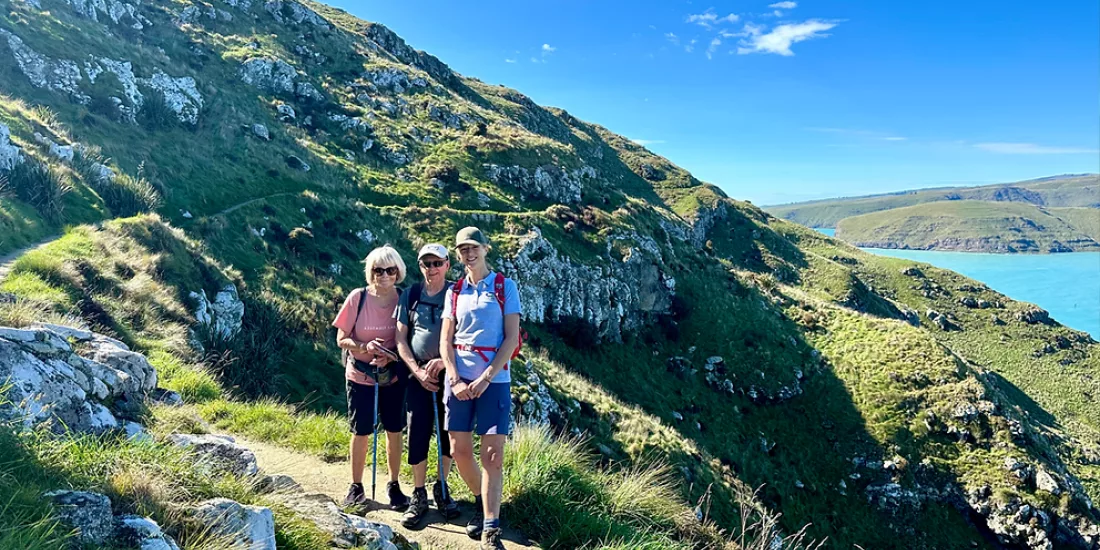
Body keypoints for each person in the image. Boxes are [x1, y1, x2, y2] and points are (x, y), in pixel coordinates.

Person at [440, 227, 521, 550]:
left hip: (494, 381)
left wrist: (486, 376)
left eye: (473, 247)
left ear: (486, 248)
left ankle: (491, 527)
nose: (468, 254)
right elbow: (446, 340)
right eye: (462, 249)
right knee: (459, 451)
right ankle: (480, 499)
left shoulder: (504, 287)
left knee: (492, 456)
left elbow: (511, 338)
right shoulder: (455, 291)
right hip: (458, 381)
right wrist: (455, 378)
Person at [333, 245, 410, 510]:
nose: (384, 275)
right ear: (371, 272)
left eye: (390, 270)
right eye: (378, 270)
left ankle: (394, 485)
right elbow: (341, 338)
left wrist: (390, 356)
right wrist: (363, 348)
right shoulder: (358, 298)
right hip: (360, 375)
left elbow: (410, 340)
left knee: (394, 430)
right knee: (361, 430)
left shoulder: (405, 298)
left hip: (393, 376)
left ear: (398, 271)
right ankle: (356, 486)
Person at [395, 243, 461, 527]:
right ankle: (419, 494)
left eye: (437, 263)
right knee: (418, 433)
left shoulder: (459, 294)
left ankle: (442, 488)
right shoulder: (410, 295)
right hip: (417, 376)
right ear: (420, 266)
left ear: (447, 265)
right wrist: (417, 371)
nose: (431, 269)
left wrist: (445, 363)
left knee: (449, 434)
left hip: (452, 375)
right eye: (426, 264)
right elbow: (400, 339)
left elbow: (466, 337)